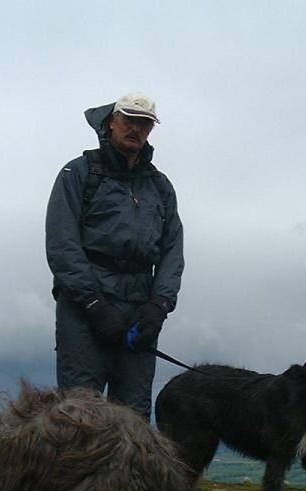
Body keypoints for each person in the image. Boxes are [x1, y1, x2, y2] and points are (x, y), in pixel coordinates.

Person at [45, 92, 184, 419]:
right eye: (130, 120)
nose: (137, 129)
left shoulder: (159, 187)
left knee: (133, 415)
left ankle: (127, 473)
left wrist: (159, 306)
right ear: (111, 121)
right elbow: (62, 243)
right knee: (79, 413)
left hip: (140, 310)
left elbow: (172, 251)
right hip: (84, 310)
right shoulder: (77, 174)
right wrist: (94, 304)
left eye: (145, 123)